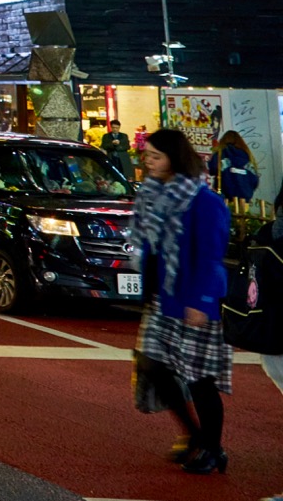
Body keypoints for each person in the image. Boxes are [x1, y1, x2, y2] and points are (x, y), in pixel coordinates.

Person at [131, 128, 232, 475]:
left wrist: (202, 300)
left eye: (156, 156)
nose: (148, 161)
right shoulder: (153, 195)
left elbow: (210, 255)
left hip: (192, 299)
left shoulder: (204, 200)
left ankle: (213, 449)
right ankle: (195, 436)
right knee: (152, 366)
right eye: (147, 155)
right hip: (162, 298)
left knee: (199, 379)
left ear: (175, 158)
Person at [217, 130, 260, 208]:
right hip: (244, 200)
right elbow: (255, 180)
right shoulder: (248, 156)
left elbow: (213, 168)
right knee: (244, 218)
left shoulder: (221, 153)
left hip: (225, 199)